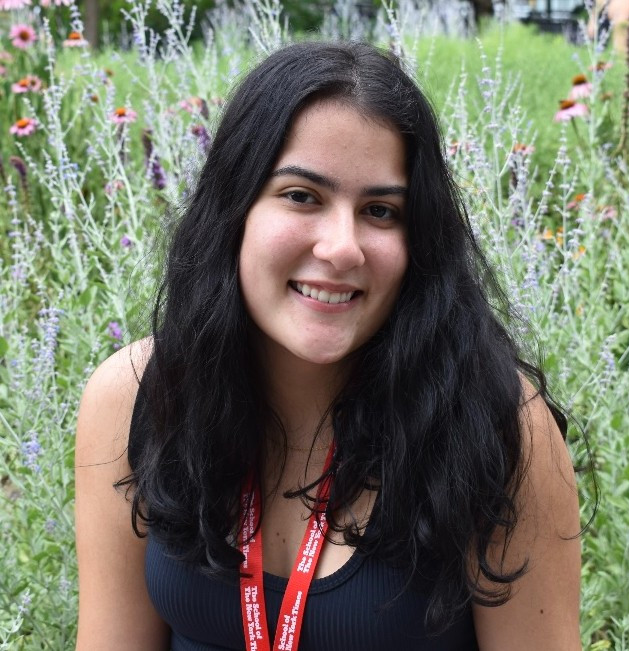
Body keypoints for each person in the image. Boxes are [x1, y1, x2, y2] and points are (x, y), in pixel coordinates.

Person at [75, 41, 581, 650]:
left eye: (380, 210)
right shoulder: (135, 397)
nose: (342, 248)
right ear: (233, 210)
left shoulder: (496, 426)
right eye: (301, 196)